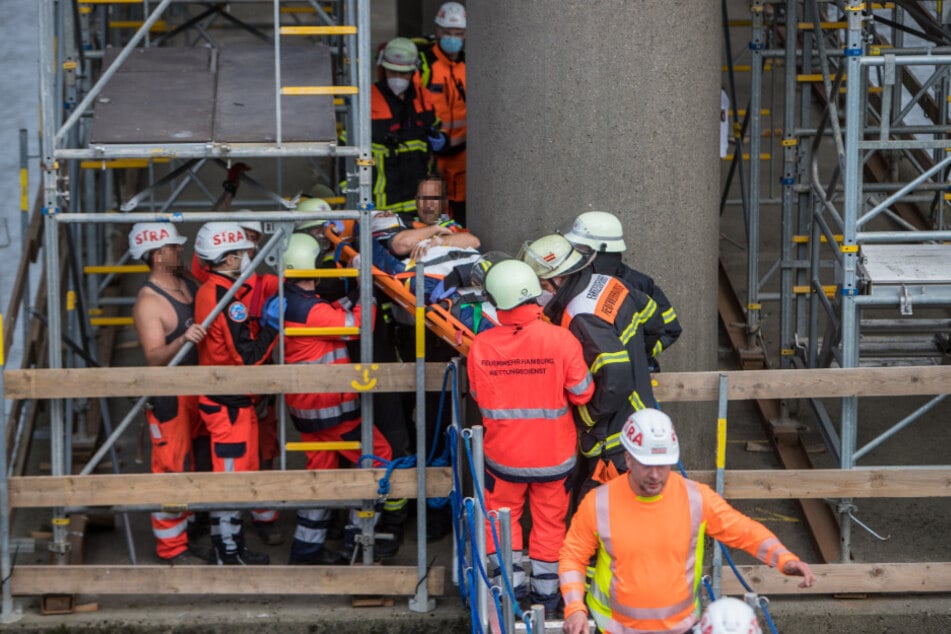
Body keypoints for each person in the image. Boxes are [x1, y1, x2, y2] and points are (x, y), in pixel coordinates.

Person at [559, 409, 815, 634]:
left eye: (663, 465)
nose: (655, 475)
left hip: (680, 628)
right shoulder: (599, 502)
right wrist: (574, 609)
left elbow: (742, 530)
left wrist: (783, 558)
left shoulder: (695, 498)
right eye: (647, 465)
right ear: (628, 458)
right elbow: (573, 556)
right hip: (614, 628)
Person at [467, 259, 594, 615]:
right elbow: (583, 392)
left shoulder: (481, 345)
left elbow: (479, 397)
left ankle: (510, 590)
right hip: (554, 459)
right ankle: (546, 596)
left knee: (501, 522)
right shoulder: (562, 340)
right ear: (534, 297)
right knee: (550, 526)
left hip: (503, 458)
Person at [263, 233, 395, 564]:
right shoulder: (308, 309)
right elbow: (356, 326)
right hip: (332, 411)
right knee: (378, 460)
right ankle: (356, 544)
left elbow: (332, 312)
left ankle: (306, 550)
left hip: (309, 411)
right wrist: (368, 287)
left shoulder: (295, 300)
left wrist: (353, 290)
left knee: (320, 477)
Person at [519, 234, 669, 503]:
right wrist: (637, 355)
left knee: (595, 515)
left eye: (541, 284)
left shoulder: (581, 315)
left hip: (612, 435)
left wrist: (587, 417)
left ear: (559, 278)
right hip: (635, 416)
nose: (538, 292)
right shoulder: (608, 284)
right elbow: (654, 319)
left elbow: (616, 381)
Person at [193, 221, 278, 565]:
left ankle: (230, 547)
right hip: (228, 403)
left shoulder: (218, 290)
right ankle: (227, 553)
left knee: (235, 475)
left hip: (229, 400)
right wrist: (273, 325)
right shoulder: (226, 298)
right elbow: (248, 357)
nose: (248, 257)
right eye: (243, 252)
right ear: (227, 258)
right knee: (231, 480)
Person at [129, 223, 209, 564]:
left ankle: (193, 527)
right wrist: (182, 339)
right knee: (172, 467)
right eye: (175, 248)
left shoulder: (186, 283)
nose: (181, 251)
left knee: (201, 462)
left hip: (199, 391)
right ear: (158, 255)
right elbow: (154, 357)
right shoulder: (149, 303)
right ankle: (172, 549)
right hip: (171, 397)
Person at [564, 210, 682, 371]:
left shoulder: (638, 284)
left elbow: (671, 329)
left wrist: (638, 353)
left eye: (581, 248)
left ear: (601, 251)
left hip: (631, 376)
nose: (575, 253)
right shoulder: (570, 282)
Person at [369, 37, 447, 220]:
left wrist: (442, 140)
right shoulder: (369, 99)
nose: (397, 78)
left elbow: (434, 126)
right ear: (383, 69)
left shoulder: (423, 97)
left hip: (418, 199)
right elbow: (347, 147)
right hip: (382, 201)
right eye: (392, 72)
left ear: (413, 72)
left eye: (403, 73)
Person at [418, 2, 468, 223]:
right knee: (434, 203)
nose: (453, 37)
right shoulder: (426, 65)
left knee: (461, 203)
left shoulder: (470, 64)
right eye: (448, 32)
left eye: (458, 33)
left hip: (463, 153)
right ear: (438, 31)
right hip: (434, 152)